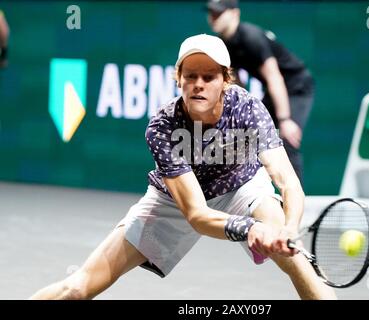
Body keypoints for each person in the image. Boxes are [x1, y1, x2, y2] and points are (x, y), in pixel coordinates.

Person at [30, 34, 336, 300]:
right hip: (175, 202)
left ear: (226, 80)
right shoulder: (162, 128)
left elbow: (286, 180)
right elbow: (197, 215)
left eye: (209, 77)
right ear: (179, 79)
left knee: (296, 261)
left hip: (242, 185)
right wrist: (251, 229)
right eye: (191, 76)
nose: (198, 85)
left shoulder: (248, 108)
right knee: (78, 290)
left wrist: (288, 229)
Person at [206, 0, 314, 185]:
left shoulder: (251, 36)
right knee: (247, 135)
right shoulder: (225, 44)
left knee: (285, 139)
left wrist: (285, 119)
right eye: (211, 13)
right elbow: (236, 81)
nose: (213, 18)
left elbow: (274, 77)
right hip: (275, 91)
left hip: (296, 87)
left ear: (235, 13)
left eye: (218, 13)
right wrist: (242, 111)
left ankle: (295, 203)